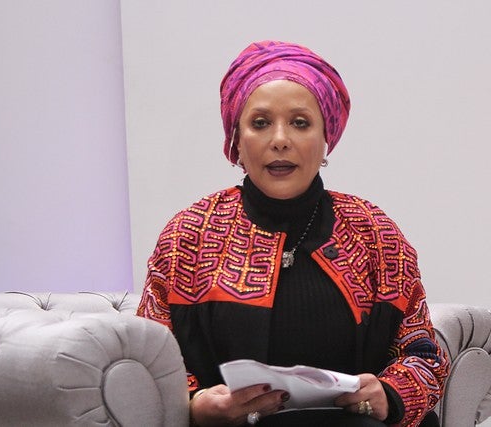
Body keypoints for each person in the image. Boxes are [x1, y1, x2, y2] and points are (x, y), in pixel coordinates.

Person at [137, 40, 449, 427]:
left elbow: (424, 355)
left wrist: (389, 394)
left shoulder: (373, 231)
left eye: (300, 123)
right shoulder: (190, 234)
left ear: (326, 138)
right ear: (236, 140)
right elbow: (149, 361)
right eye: (260, 123)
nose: (280, 139)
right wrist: (197, 404)